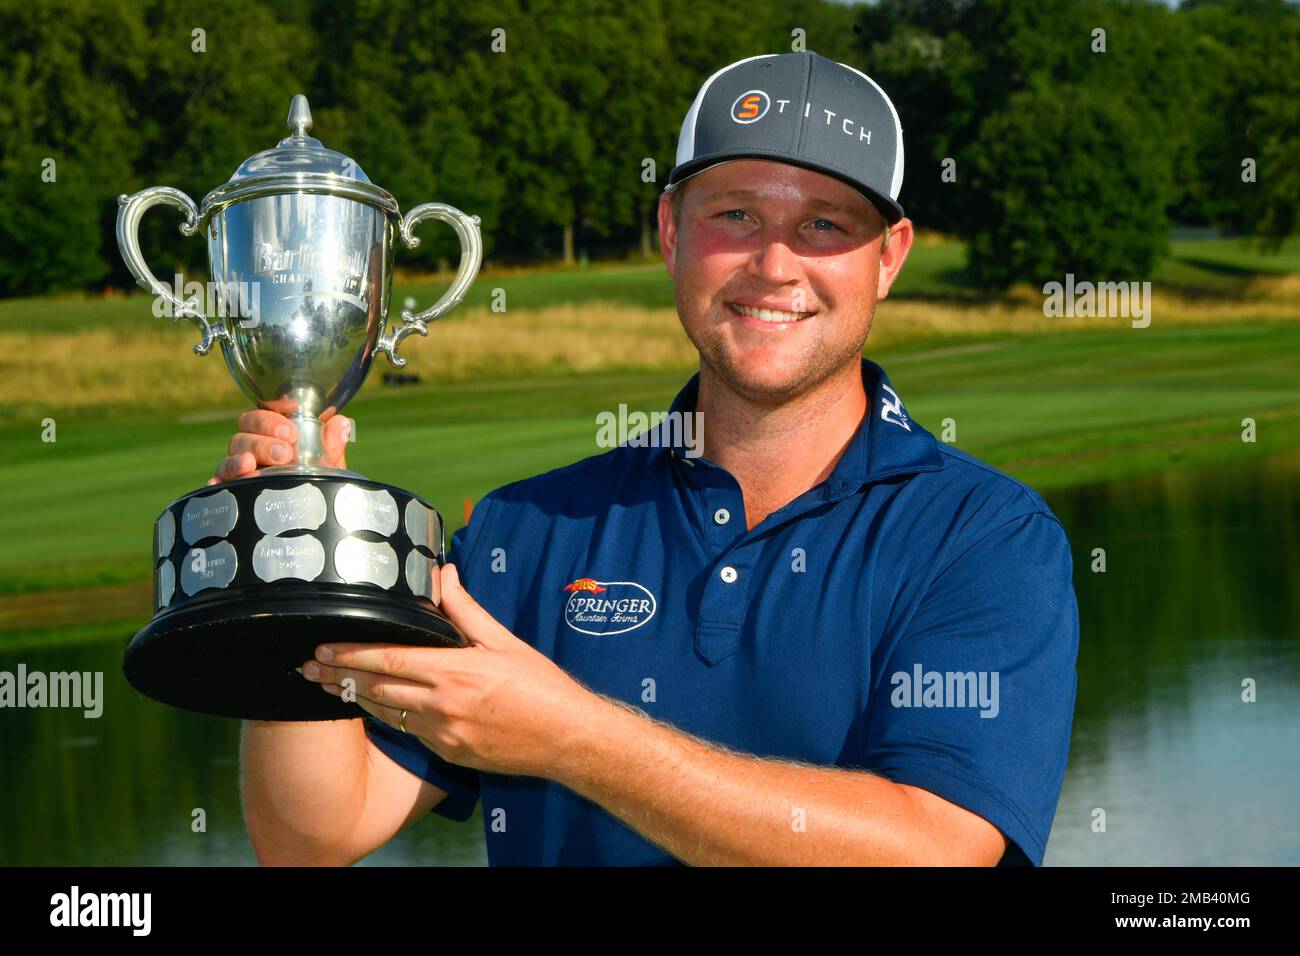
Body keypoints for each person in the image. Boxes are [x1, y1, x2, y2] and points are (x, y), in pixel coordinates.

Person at [231, 51, 1078, 866]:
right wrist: (297, 568)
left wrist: (575, 738)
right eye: (735, 215)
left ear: (887, 257)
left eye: (824, 225)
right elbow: (313, 834)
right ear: (672, 231)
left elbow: (936, 849)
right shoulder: (524, 532)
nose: (774, 263)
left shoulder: (983, 537)